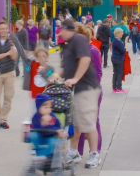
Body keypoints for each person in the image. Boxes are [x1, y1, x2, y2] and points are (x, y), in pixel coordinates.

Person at [58, 18, 102, 169]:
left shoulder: (79, 39)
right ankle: (73, 151)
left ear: (67, 29)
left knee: (88, 123)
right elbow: (65, 68)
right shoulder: (67, 45)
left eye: (61, 30)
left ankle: (94, 154)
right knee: (75, 122)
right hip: (75, 90)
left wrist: (75, 78)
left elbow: (85, 59)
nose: (59, 33)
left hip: (86, 88)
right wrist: (51, 73)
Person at [0, 21, 27, 129]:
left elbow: (14, 56)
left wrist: (11, 47)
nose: (4, 31)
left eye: (6, 28)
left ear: (8, 30)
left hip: (9, 72)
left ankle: (3, 120)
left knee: (8, 97)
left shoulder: (12, 42)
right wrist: (6, 53)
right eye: (2, 28)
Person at [77, 25, 103, 157]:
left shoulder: (92, 50)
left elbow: (98, 72)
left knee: (92, 122)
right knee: (78, 123)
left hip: (90, 91)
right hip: (78, 91)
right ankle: (78, 152)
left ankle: (95, 151)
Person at [30, 93, 66, 160]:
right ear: (38, 108)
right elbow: (35, 127)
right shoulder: (36, 117)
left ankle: (43, 155)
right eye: (45, 107)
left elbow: (58, 126)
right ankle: (39, 153)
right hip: (40, 137)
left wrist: (58, 131)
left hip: (51, 137)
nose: (48, 109)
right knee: (32, 135)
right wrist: (43, 123)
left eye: (50, 107)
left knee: (54, 142)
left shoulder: (53, 117)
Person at [111, 28, 127, 93]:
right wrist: (125, 49)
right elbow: (122, 50)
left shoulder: (114, 40)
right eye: (121, 33)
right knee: (119, 73)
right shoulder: (118, 41)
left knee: (115, 73)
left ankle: (114, 87)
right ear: (118, 33)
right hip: (119, 58)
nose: (122, 34)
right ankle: (119, 88)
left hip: (114, 57)